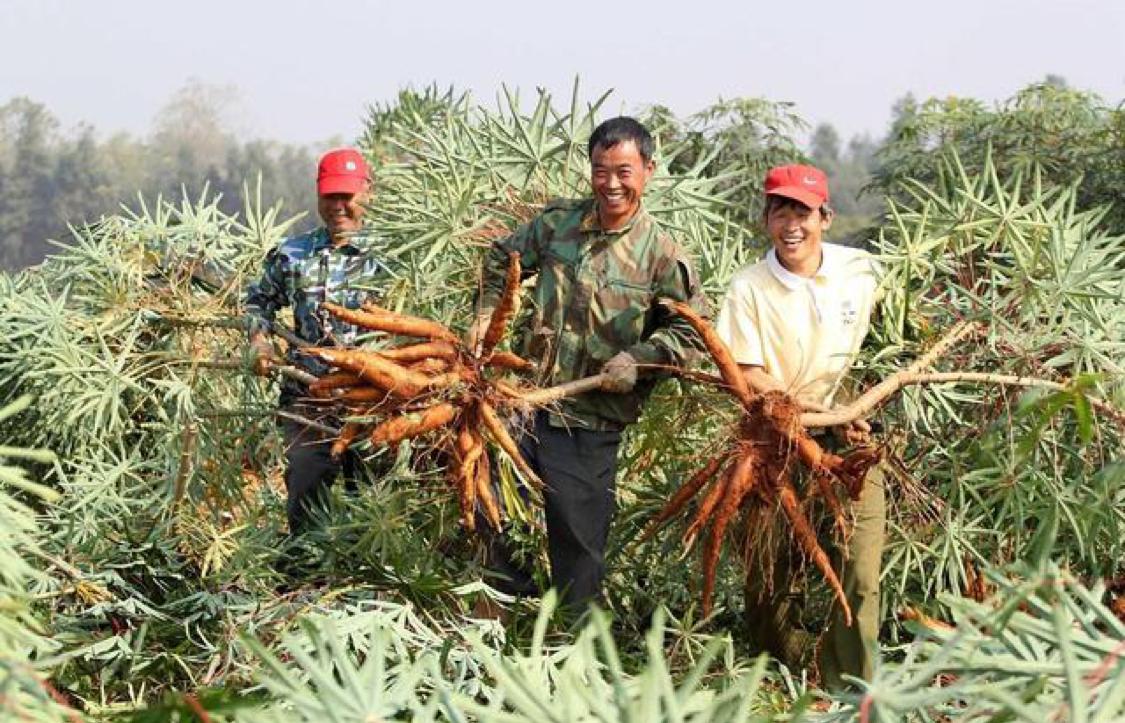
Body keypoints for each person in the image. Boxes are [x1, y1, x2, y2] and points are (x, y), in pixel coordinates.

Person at [469, 116, 708, 612]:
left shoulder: (662, 256)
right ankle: (509, 611)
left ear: (648, 170)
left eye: (623, 170)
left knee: (577, 545)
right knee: (482, 498)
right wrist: (486, 316)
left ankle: (580, 649)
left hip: (590, 418)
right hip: (525, 403)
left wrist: (639, 358)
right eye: (601, 170)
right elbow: (501, 259)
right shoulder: (558, 225)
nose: (611, 183)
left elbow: (691, 332)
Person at [714, 164, 883, 690]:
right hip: (773, 444)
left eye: (803, 212)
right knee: (770, 580)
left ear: (826, 217)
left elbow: (888, 342)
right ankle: (783, 679)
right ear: (765, 219)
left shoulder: (863, 272)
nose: (792, 224)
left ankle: (853, 690)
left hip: (851, 440)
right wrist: (793, 410)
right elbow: (746, 371)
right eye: (780, 211)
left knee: (858, 573)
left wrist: (858, 407)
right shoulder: (749, 287)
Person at [245, 147, 389, 535]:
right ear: (318, 195)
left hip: (377, 400)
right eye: (330, 197)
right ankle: (303, 582)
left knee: (374, 504)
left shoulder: (392, 257)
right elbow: (258, 300)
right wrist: (260, 341)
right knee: (306, 493)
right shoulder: (293, 255)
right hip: (308, 398)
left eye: (347, 196)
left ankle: (369, 584)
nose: (338, 206)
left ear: (367, 193)